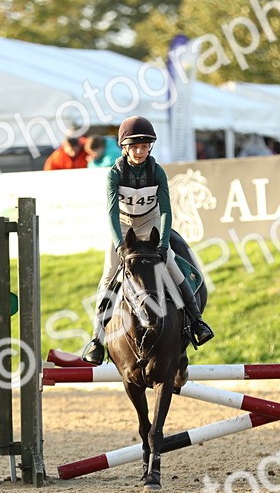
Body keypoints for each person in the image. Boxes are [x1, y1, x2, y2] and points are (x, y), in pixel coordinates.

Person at [80, 115, 214, 365]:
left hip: (150, 220)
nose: (140, 152)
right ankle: (97, 338)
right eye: (135, 147)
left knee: (171, 263)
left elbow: (166, 211)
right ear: (124, 148)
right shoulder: (114, 174)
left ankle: (197, 321)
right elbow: (111, 213)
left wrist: (163, 243)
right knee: (109, 274)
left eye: (144, 146)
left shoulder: (157, 171)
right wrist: (120, 244)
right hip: (123, 223)